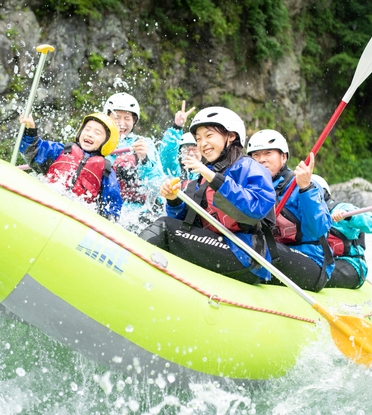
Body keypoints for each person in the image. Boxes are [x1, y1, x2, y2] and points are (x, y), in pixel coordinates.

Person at [139, 106, 277, 284]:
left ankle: (129, 264)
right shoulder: (202, 175)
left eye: (209, 136)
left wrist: (215, 179)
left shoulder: (249, 167)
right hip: (215, 244)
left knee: (164, 228)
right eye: (198, 139)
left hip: (244, 253)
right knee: (168, 224)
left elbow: (257, 208)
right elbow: (185, 221)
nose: (202, 143)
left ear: (231, 136)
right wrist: (173, 201)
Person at [247, 129, 334, 291]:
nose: (261, 160)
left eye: (268, 153)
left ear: (284, 157)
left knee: (254, 246)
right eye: (255, 155)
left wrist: (306, 189)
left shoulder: (300, 184)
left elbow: (318, 229)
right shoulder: (251, 186)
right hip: (275, 254)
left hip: (310, 260)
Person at [19, 112, 123, 221]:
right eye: (87, 129)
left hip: (75, 220)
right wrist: (30, 129)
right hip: (47, 203)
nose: (90, 134)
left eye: (97, 133)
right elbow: (33, 150)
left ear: (108, 141)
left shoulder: (106, 171)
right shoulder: (61, 151)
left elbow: (112, 203)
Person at [311, 175, 372, 289]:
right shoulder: (309, 215)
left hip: (352, 266)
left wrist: (348, 216)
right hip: (327, 261)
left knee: (313, 272)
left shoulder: (341, 208)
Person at [103, 92, 165, 213]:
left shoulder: (144, 144)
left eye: (127, 118)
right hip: (104, 205)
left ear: (134, 121)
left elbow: (157, 185)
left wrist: (144, 159)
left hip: (136, 212)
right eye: (116, 117)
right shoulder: (98, 140)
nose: (121, 123)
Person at [159, 100, 196, 178]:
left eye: (195, 149)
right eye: (187, 149)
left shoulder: (208, 173)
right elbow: (167, 153)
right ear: (180, 153)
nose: (191, 153)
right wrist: (177, 127)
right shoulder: (175, 172)